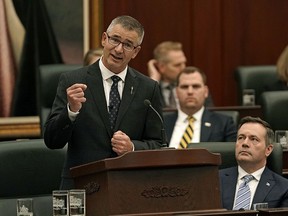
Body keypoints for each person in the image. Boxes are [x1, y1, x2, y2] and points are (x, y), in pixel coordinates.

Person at [44, 15, 164, 189]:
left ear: (136, 52)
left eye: (128, 45)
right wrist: (70, 111)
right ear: (104, 39)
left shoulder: (148, 88)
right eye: (115, 40)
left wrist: (132, 148)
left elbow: (159, 144)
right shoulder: (73, 80)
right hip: (81, 187)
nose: (119, 49)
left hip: (129, 187)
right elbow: (52, 141)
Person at [219, 116, 288, 210]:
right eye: (241, 138)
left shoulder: (284, 188)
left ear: (268, 150)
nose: (245, 143)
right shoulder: (214, 180)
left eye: (254, 139)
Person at [164, 66, 236, 148]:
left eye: (195, 86)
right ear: (176, 92)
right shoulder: (161, 123)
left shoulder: (224, 123)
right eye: (184, 87)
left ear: (206, 91)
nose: (190, 92)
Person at [147, 41, 214, 109]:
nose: (183, 68)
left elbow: (209, 113)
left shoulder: (195, 85)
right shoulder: (152, 88)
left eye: (184, 63)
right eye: (177, 65)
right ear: (161, 67)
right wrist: (154, 80)